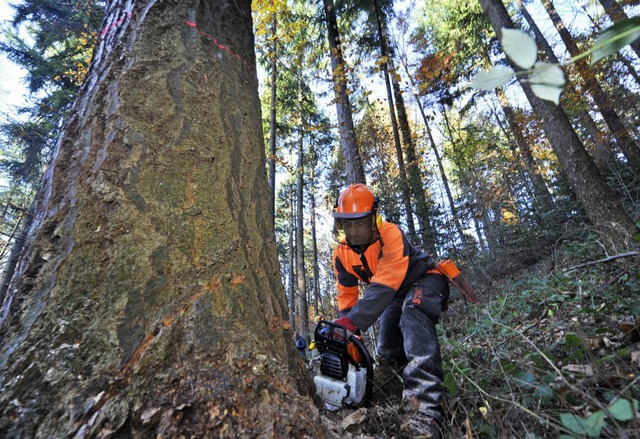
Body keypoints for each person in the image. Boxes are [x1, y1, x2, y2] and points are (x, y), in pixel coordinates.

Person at [329, 183, 449, 438]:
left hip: (424, 280)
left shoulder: (390, 233)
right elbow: (347, 294)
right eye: (347, 224)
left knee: (412, 314)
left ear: (374, 218)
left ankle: (427, 409)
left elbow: (385, 284)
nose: (354, 230)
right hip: (394, 295)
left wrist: (353, 322)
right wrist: (349, 333)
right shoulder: (341, 254)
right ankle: (397, 393)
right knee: (387, 351)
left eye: (360, 223)